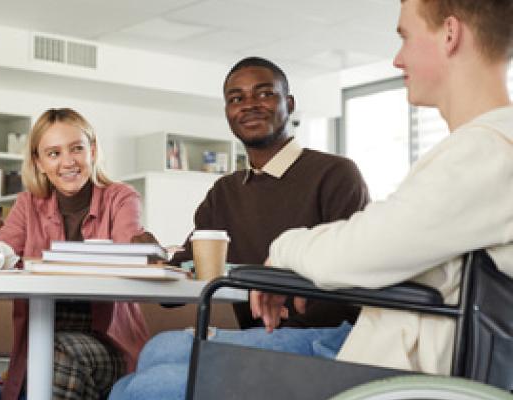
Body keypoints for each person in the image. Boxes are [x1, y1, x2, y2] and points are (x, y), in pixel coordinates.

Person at [110, 0, 513, 398]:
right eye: (236, 98)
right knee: (154, 359)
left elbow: (365, 247)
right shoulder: (475, 151)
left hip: (390, 366)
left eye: (405, 37)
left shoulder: (487, 153)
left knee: (144, 387)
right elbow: (382, 242)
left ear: (450, 34)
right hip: (384, 347)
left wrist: (283, 253)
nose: (397, 59)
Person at [170, 56, 369, 329]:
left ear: (289, 104)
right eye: (236, 99)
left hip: (324, 335)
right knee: (163, 347)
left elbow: (351, 272)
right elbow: (185, 273)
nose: (249, 105)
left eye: (264, 94)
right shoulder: (225, 191)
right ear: (228, 113)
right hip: (257, 338)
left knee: (165, 349)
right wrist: (149, 258)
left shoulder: (335, 174)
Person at [0, 108, 150, 400]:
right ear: (39, 163)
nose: (68, 162)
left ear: (92, 150)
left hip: (108, 346)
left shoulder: (121, 197)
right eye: (54, 154)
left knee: (59, 356)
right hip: (40, 347)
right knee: (54, 359)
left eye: (76, 149)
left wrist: (140, 245)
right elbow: (3, 252)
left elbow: (128, 245)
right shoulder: (27, 204)